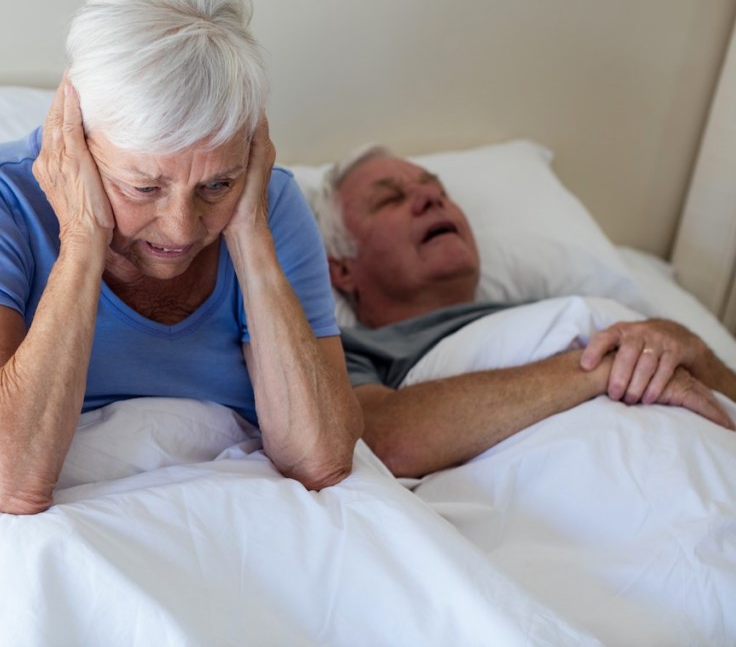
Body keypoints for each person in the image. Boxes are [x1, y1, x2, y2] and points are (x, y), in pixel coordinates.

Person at [0, 0, 362, 515]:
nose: (182, 228)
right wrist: (81, 242)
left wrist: (250, 237)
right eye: (144, 187)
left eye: (217, 184)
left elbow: (321, 461)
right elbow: (9, 479)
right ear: (76, 138)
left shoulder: (268, 205)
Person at [309, 143, 736, 478]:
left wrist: (690, 348)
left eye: (438, 190)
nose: (429, 199)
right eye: (391, 199)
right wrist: (600, 369)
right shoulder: (348, 350)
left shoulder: (551, 309)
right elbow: (383, 437)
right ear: (342, 269)